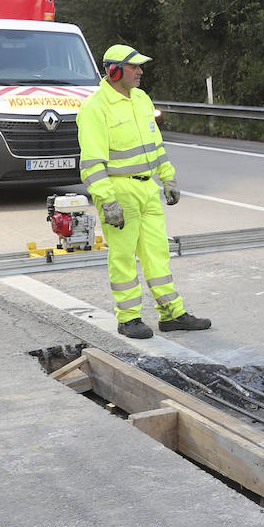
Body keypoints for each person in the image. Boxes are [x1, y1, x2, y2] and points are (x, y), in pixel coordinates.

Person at [77, 44, 211, 339]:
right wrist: (107, 200)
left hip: (147, 188)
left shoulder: (140, 99)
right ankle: (128, 319)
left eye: (140, 67)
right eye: (134, 67)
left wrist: (169, 179)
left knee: (157, 254)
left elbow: (156, 146)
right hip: (118, 191)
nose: (140, 72)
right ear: (114, 71)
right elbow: (91, 163)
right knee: (123, 256)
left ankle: (171, 314)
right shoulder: (95, 108)